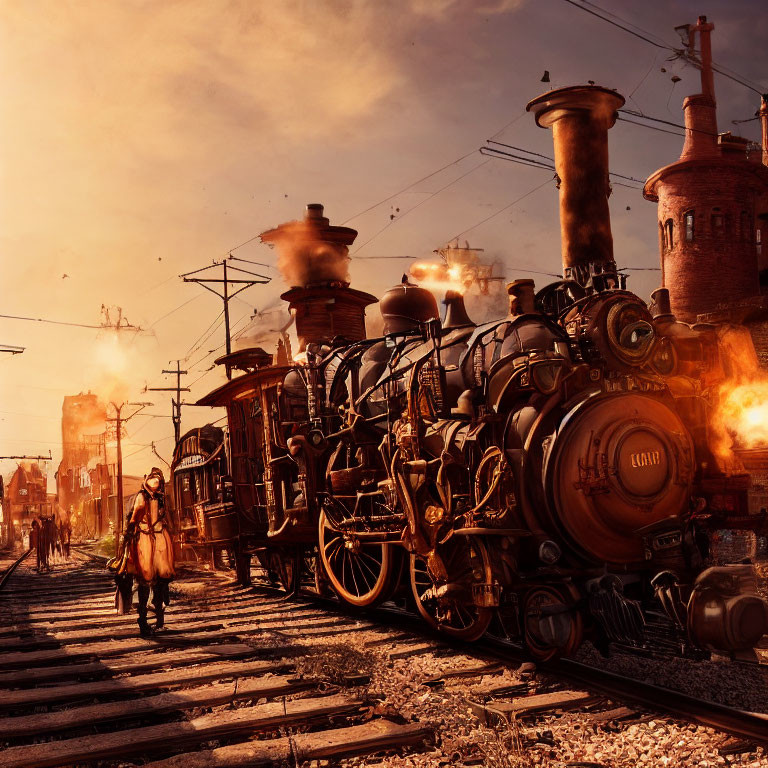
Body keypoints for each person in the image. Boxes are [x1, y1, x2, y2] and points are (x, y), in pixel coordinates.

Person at [117, 467, 175, 636]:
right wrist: (128, 534)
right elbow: (134, 518)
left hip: (156, 540)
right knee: (147, 579)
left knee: (158, 579)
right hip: (148, 540)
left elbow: (136, 519)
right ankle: (144, 620)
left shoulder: (158, 499)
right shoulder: (143, 498)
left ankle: (155, 619)